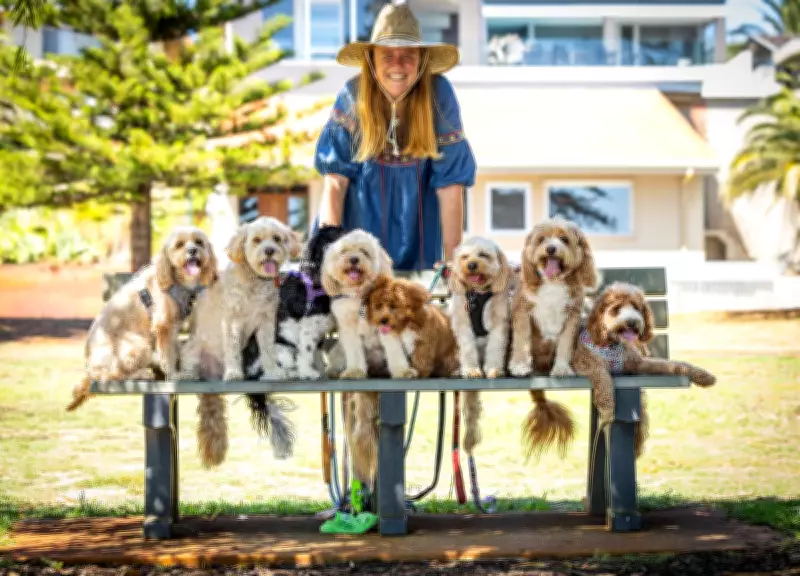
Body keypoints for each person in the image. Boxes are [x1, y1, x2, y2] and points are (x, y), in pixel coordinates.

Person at [313, 1, 477, 270]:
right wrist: (327, 255)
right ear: (371, 60)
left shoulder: (439, 94)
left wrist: (452, 262)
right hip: (358, 236)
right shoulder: (353, 95)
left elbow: (450, 185)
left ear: (421, 61)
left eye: (408, 55)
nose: (398, 64)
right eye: (387, 55)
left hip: (419, 231)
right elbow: (335, 183)